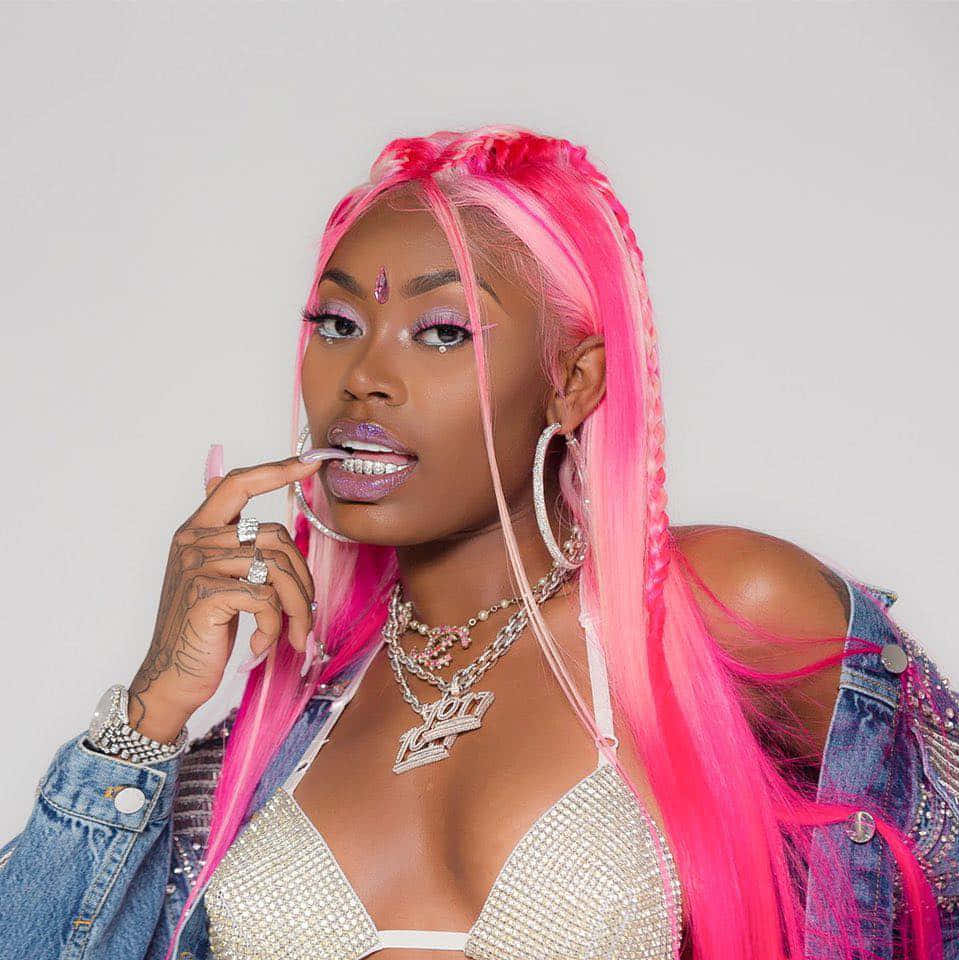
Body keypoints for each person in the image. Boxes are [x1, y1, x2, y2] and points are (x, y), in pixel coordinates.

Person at [1, 126, 956, 960]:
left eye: (442, 332)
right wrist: (151, 712)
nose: (362, 377)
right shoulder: (276, 730)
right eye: (337, 323)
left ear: (572, 382)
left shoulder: (717, 611)